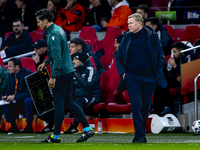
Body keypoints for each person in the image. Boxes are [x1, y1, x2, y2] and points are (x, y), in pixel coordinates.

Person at [35, 9, 94, 143]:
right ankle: (87, 129)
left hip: (61, 72)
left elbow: (58, 57)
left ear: (45, 20)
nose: (38, 24)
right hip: (68, 70)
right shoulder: (58, 29)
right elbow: (58, 54)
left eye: (39, 21)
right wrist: (45, 62)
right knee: (68, 101)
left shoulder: (53, 34)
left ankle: (55, 136)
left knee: (59, 103)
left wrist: (53, 76)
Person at [116, 13, 167, 143]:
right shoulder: (126, 37)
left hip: (150, 78)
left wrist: (157, 75)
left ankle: (139, 134)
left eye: (131, 23)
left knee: (145, 107)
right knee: (136, 104)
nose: (128, 26)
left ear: (139, 23)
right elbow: (118, 57)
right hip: (132, 77)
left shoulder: (153, 37)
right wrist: (123, 74)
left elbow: (161, 56)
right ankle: (140, 135)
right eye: (128, 24)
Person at [65, 52, 100, 133]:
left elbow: (89, 85)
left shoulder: (91, 70)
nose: (73, 61)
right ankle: (50, 127)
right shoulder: (75, 71)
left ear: (82, 61)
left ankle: (75, 126)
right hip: (78, 97)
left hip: (92, 97)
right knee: (61, 101)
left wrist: (77, 76)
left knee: (78, 101)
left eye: (75, 59)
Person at [1, 58, 34, 133]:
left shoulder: (28, 74)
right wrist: (6, 96)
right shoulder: (10, 76)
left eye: (10, 66)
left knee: (27, 100)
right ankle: (13, 126)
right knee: (4, 102)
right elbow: (9, 90)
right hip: (17, 99)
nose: (8, 68)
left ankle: (29, 126)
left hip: (26, 99)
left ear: (17, 67)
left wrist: (15, 97)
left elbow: (29, 92)